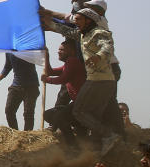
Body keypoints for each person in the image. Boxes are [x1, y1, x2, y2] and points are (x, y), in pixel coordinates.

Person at [45, 8, 119, 155]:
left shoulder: (99, 33)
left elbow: (107, 46)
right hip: (103, 82)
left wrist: (98, 56)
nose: (75, 22)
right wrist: (47, 23)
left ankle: (109, 135)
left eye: (78, 19)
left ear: (88, 20)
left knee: (78, 111)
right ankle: (100, 145)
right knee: (93, 114)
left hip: (99, 81)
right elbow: (65, 30)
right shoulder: (82, 34)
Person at [41, 39, 86, 149]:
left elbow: (63, 79)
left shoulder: (73, 61)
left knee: (59, 116)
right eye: (58, 50)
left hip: (82, 102)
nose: (59, 52)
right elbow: (50, 71)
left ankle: (73, 145)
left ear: (71, 51)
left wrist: (48, 80)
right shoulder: (67, 64)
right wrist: (46, 55)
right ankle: (77, 133)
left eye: (62, 50)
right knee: (48, 114)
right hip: (77, 102)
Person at [0, 52, 40, 131]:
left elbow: (37, 56)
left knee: (28, 113)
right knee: (9, 110)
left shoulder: (28, 48)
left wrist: (44, 51)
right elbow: (7, 66)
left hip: (31, 86)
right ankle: (15, 133)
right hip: (16, 85)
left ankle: (27, 134)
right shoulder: (9, 51)